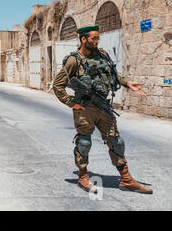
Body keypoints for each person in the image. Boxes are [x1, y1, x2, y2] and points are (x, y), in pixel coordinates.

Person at [53, 25, 152, 194]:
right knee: (84, 142)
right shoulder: (73, 60)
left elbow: (112, 74)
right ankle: (83, 176)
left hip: (103, 106)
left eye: (98, 38)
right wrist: (71, 103)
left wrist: (127, 83)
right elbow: (58, 85)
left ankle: (126, 179)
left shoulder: (103, 54)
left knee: (116, 141)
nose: (97, 41)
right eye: (94, 38)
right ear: (83, 39)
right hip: (85, 108)